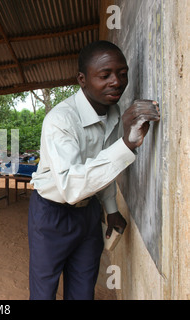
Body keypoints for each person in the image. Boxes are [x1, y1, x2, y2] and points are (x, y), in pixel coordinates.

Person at [28, 41, 161, 300]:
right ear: (82, 79)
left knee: (83, 289)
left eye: (122, 74)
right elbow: (71, 187)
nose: (116, 82)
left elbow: (102, 166)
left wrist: (111, 210)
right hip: (51, 215)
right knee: (43, 292)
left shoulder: (114, 113)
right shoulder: (60, 120)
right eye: (105, 75)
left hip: (88, 214)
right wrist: (126, 144)